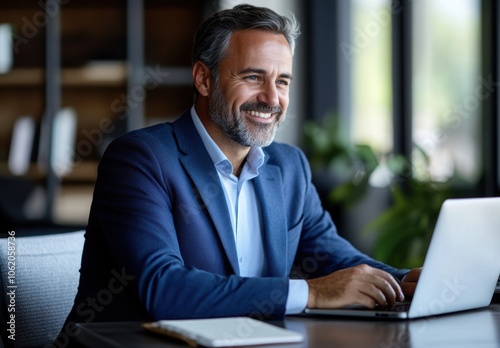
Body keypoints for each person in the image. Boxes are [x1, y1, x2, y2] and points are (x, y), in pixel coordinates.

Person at [62, 3, 420, 335]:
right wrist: (310, 294)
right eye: (253, 77)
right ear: (204, 79)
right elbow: (163, 289)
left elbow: (333, 259)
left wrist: (404, 280)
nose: (271, 98)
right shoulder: (140, 159)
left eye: (282, 81)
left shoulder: (289, 166)